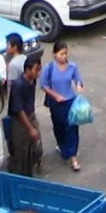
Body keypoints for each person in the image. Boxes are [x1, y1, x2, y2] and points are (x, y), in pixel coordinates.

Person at [41, 42, 86, 172]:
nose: (64, 56)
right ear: (54, 54)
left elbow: (78, 79)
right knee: (59, 127)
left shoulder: (72, 67)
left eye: (65, 53)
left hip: (70, 101)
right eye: (61, 54)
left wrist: (79, 85)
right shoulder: (49, 68)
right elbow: (44, 85)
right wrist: (55, 96)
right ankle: (62, 146)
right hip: (56, 104)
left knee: (72, 128)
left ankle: (73, 157)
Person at [8, 51, 44, 175]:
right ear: (27, 70)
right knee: (22, 152)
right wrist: (30, 128)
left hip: (30, 116)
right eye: (36, 70)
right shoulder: (18, 85)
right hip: (20, 121)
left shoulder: (32, 82)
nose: (38, 74)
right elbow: (19, 109)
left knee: (37, 149)